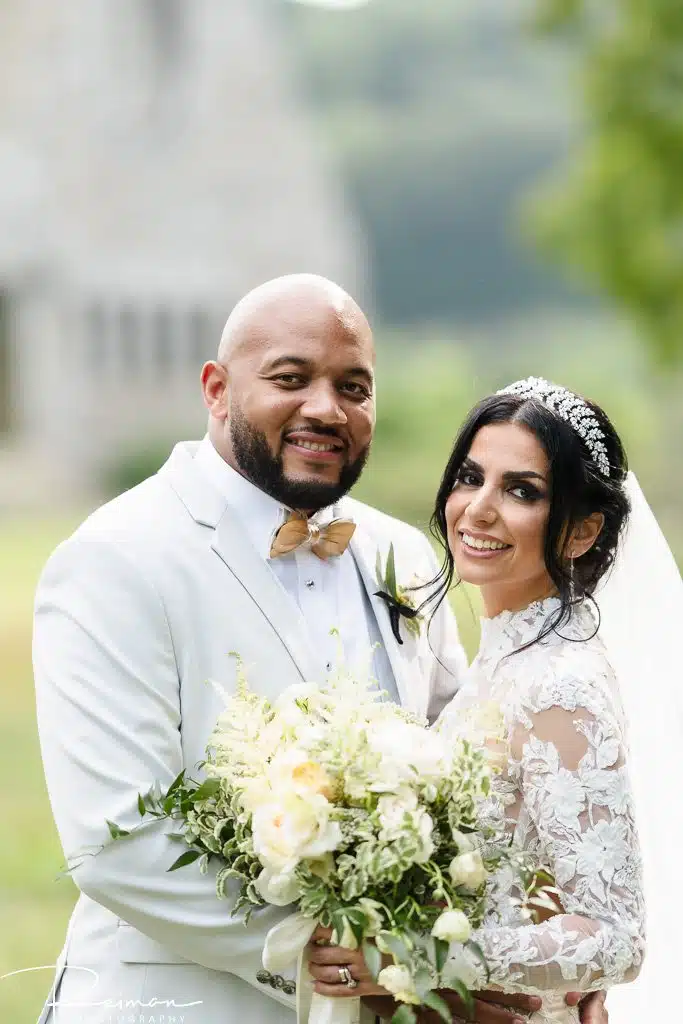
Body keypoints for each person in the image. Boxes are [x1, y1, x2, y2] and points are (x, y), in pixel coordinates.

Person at [34, 273, 476, 1024]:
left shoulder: (411, 557)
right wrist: (309, 951)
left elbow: (466, 784)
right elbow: (115, 837)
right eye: (290, 379)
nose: (325, 409)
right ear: (215, 389)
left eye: (354, 386)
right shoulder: (115, 556)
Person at [309, 378, 649, 1024]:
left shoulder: (559, 685)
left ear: (581, 530)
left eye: (521, 490)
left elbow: (613, 937)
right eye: (469, 477)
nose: (477, 509)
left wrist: (402, 960)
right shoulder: (501, 663)